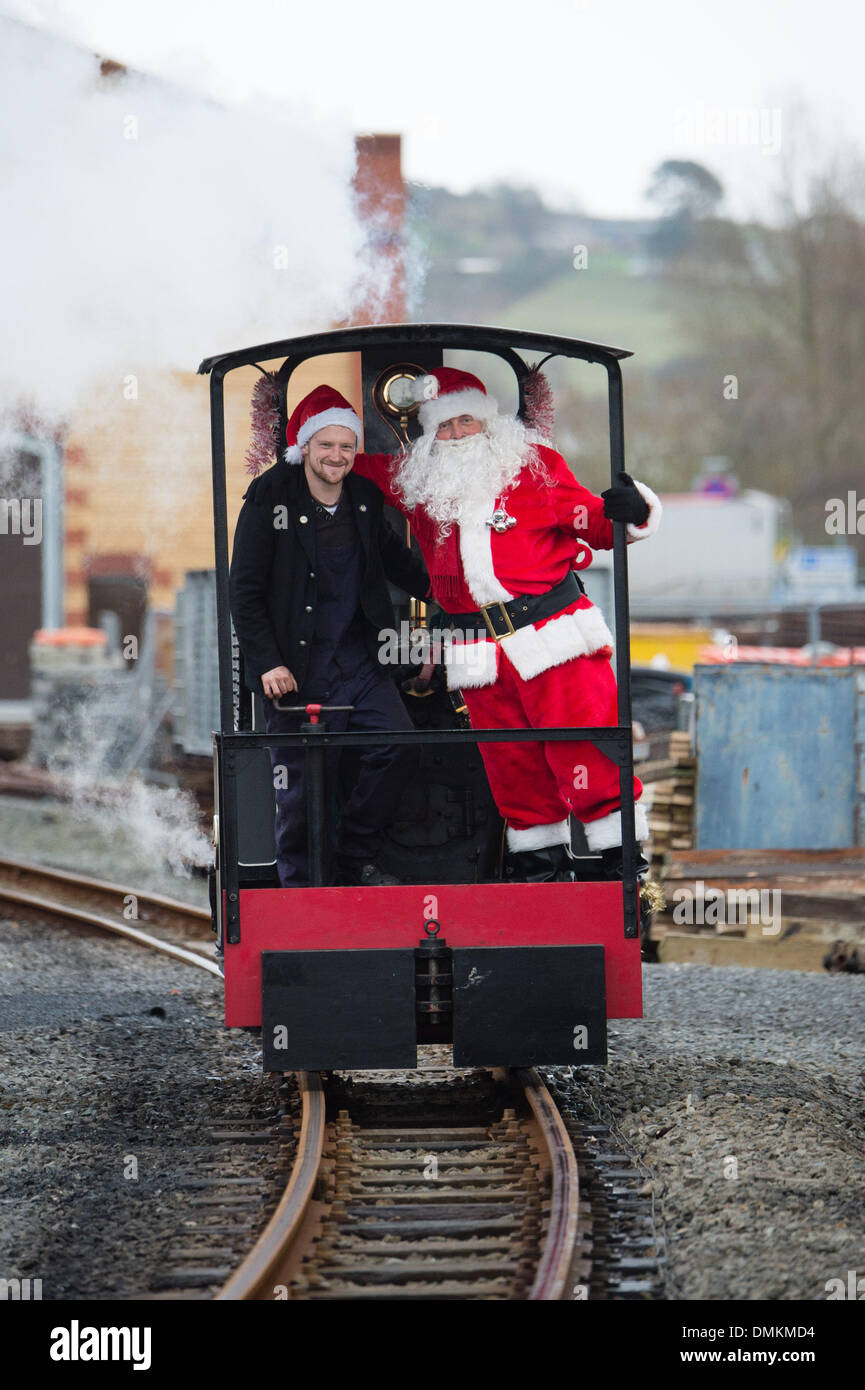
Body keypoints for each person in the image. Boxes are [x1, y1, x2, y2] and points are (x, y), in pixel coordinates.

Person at [353, 366, 662, 882]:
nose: (456, 434)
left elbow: (591, 520)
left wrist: (631, 511)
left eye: (465, 421)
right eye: (444, 426)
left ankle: (619, 864)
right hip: (478, 649)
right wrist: (306, 443)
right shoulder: (419, 479)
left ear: (487, 422)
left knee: (584, 748)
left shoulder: (535, 466)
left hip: (553, 637)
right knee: (510, 761)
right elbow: (347, 463)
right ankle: (540, 868)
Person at [229, 383, 430, 887]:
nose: (336, 456)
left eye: (346, 446)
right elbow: (244, 592)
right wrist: (268, 662)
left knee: (399, 746)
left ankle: (353, 856)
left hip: (360, 664)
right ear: (305, 446)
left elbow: (401, 564)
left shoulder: (363, 498)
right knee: (300, 788)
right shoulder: (269, 496)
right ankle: (301, 893)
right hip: (295, 672)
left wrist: (458, 596)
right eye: (325, 445)